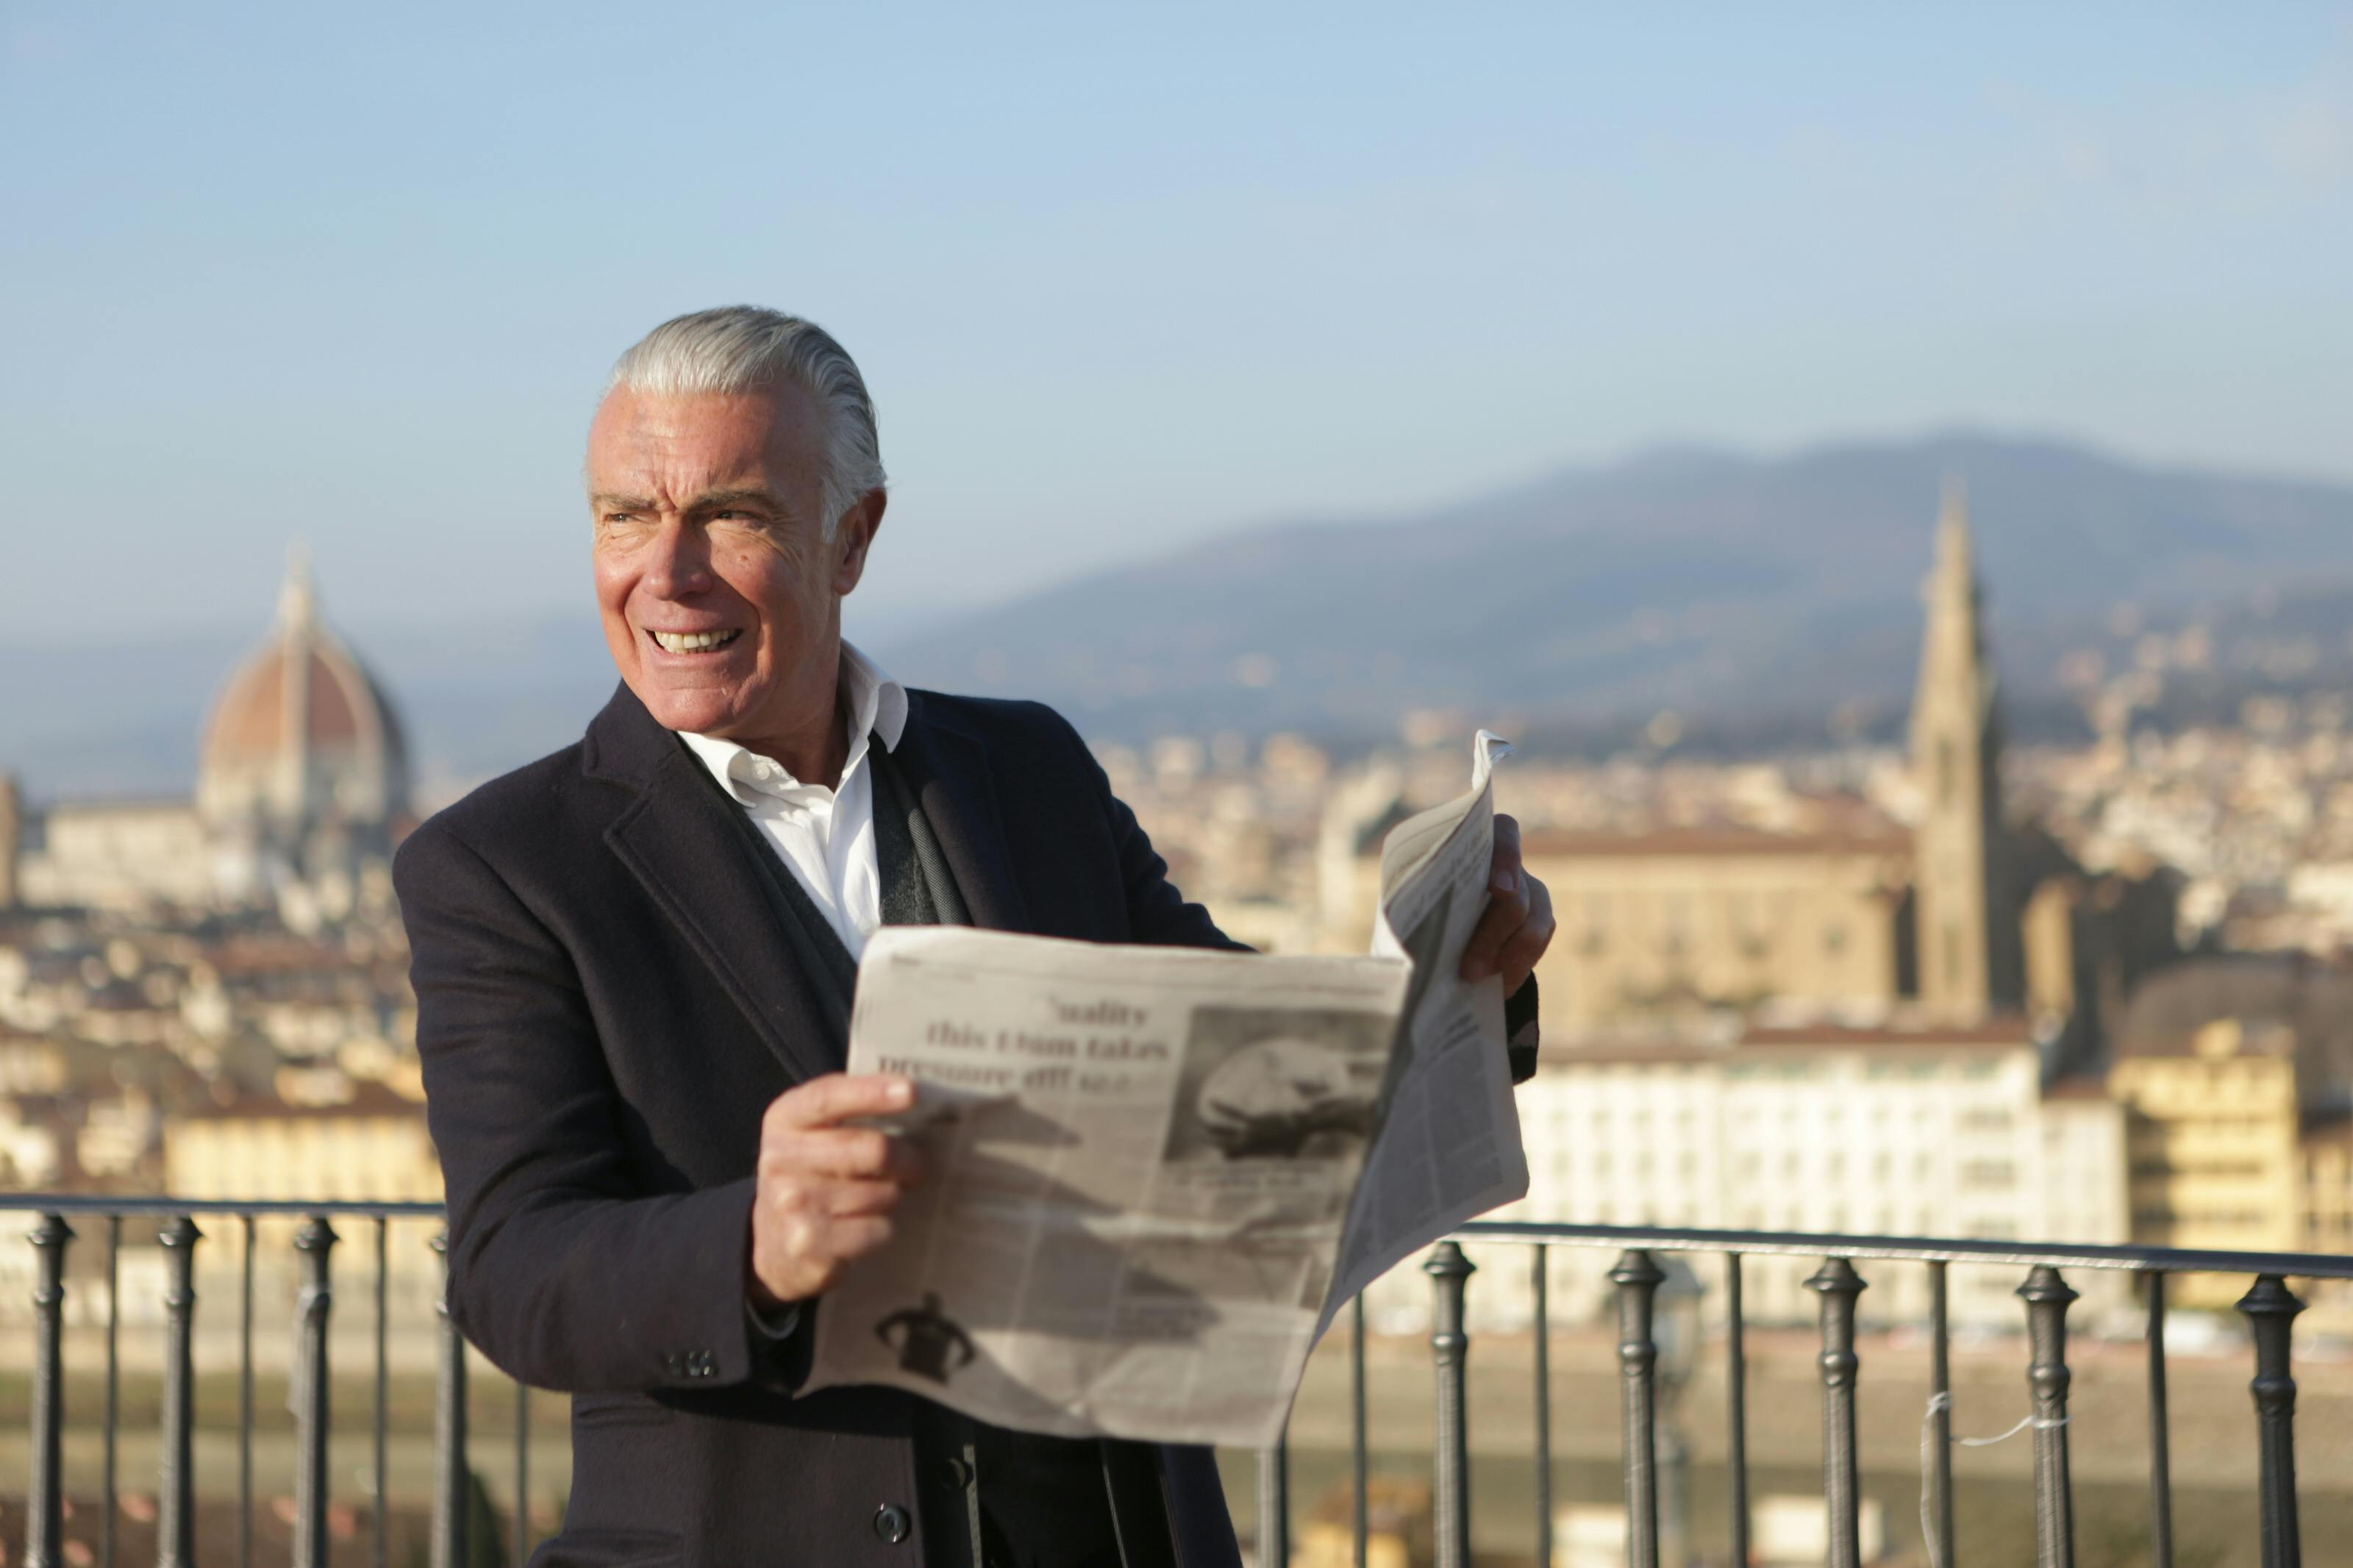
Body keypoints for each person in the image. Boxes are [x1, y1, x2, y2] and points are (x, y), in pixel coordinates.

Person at [394, 306, 1557, 1568]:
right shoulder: (503, 866)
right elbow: (513, 1264)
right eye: (624, 514)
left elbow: (1243, 1047)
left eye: (730, 512)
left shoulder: (1029, 770)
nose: (665, 572)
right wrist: (751, 1244)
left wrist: (1462, 981)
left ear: (852, 536)